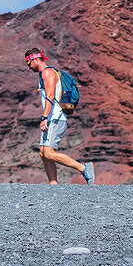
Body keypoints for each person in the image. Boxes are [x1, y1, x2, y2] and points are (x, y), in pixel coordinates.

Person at [25, 49, 95, 184]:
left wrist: (44, 117)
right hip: (53, 118)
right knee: (43, 152)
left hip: (54, 118)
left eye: (29, 63)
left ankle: (84, 168)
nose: (29, 67)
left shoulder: (48, 73)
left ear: (35, 60)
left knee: (49, 153)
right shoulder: (44, 74)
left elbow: (50, 96)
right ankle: (53, 183)